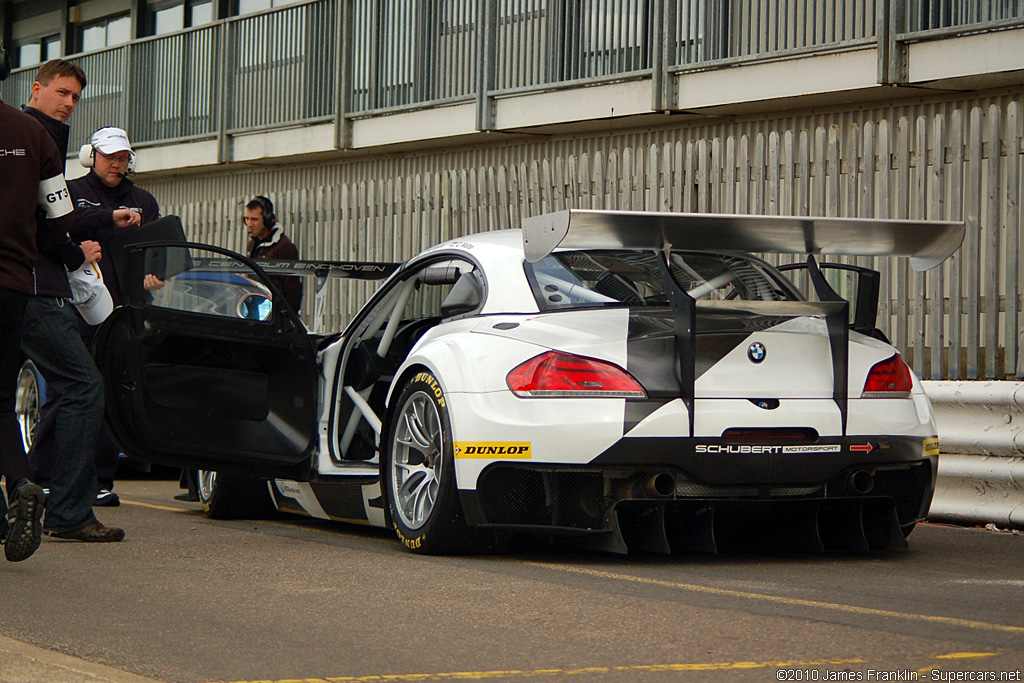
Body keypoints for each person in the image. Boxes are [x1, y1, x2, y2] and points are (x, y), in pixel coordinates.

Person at [18, 59, 125, 542]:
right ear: (35, 90)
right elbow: (43, 221)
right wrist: (73, 251)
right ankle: (69, 512)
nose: (68, 103)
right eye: (61, 92)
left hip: (28, 282)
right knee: (84, 387)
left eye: (76, 97)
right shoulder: (34, 138)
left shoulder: (38, 138)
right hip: (32, 287)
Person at [0, 41, 76, 560]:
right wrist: (31, 250)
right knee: (3, 397)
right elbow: (61, 217)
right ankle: (21, 481)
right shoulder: (33, 134)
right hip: (11, 283)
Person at [66, 126, 160, 508]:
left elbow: (160, 246)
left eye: (122, 158)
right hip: (78, 311)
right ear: (92, 156)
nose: (117, 165)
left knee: (110, 396)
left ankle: (100, 481)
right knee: (68, 393)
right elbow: (63, 225)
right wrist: (108, 218)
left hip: (125, 314)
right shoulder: (73, 191)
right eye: (110, 158)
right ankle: (46, 476)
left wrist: (158, 273)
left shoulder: (143, 199)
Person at [244, 196, 303, 312]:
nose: (249, 224)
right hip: (255, 311)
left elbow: (293, 289)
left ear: (267, 219)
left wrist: (288, 319)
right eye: (247, 219)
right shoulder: (252, 245)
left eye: (254, 219)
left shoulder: (284, 247)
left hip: (276, 316)